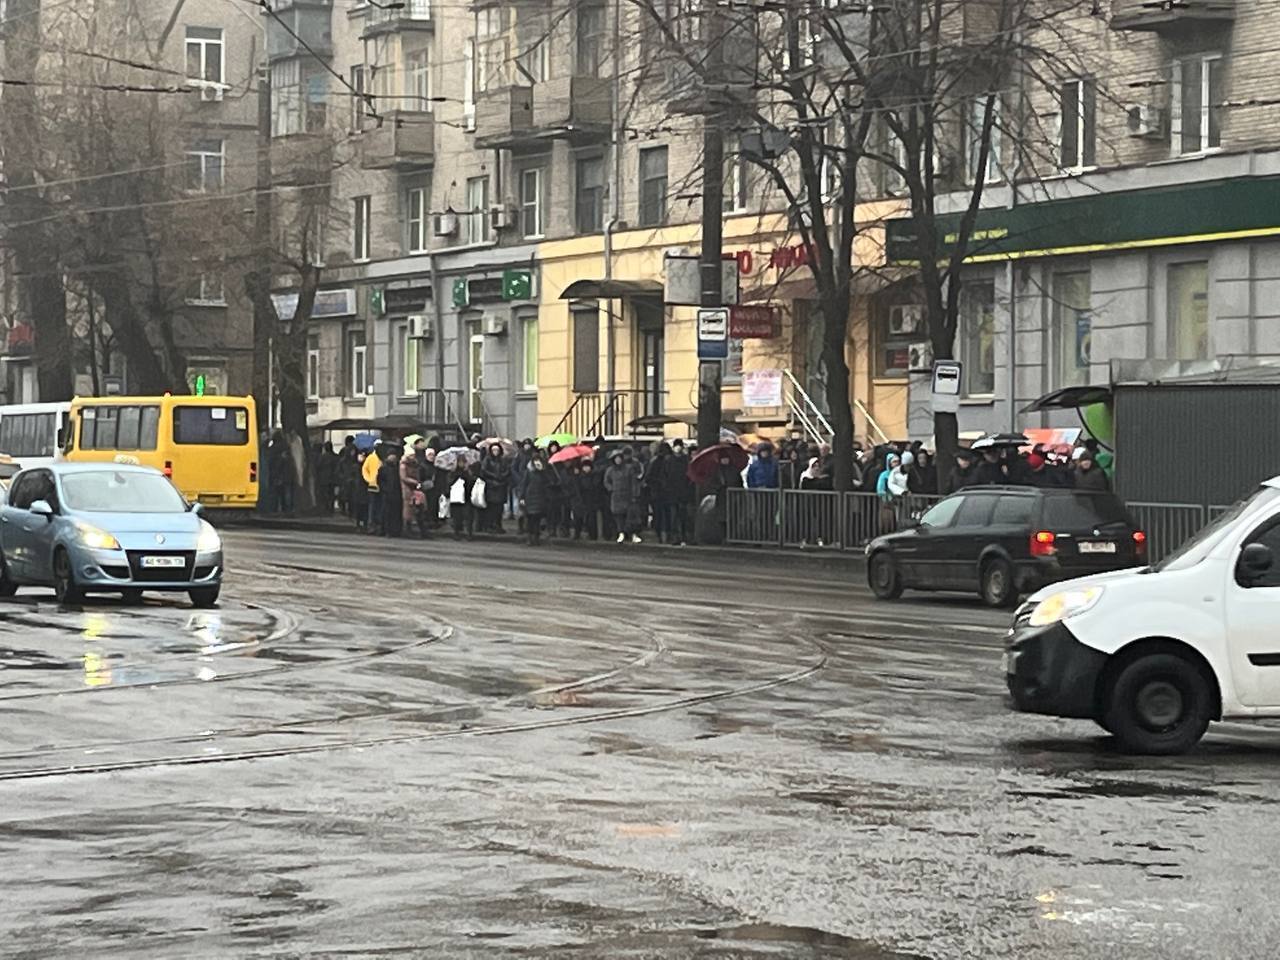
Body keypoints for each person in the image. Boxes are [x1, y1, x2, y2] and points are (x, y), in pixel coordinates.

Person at [605, 450, 643, 544]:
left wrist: (634, 494)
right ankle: (621, 533)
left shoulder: (628, 469)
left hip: (628, 495)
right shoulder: (610, 470)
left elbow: (633, 482)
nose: (618, 460)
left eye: (619, 458)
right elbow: (606, 481)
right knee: (619, 517)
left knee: (631, 517)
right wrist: (611, 488)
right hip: (616, 496)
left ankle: (633, 534)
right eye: (616, 458)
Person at [519, 449, 553, 545]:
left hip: (540, 497)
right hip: (530, 497)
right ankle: (530, 538)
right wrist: (522, 498)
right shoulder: (528, 472)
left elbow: (548, 482)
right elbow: (524, 485)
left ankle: (536, 537)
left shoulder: (544, 472)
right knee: (530, 519)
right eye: (535, 461)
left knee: (537, 519)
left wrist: (542, 471)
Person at [480, 443, 510, 534]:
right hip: (491, 486)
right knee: (491, 507)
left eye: (497, 450)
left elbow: (507, 471)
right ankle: (490, 525)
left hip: (501, 486)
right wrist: (494, 476)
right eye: (493, 450)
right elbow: (484, 471)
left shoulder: (503, 460)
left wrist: (502, 477)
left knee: (499, 508)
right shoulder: (487, 460)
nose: (495, 452)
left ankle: (498, 525)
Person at [377, 448, 403, 537]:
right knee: (386, 513)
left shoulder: (398, 468)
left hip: (397, 494)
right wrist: (385, 489)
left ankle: (395, 530)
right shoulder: (383, 468)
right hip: (387, 494)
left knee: (396, 513)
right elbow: (379, 480)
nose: (393, 457)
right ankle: (386, 530)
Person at [267, 431, 295, 514]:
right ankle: (287, 509)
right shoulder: (287, 447)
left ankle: (275, 509)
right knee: (286, 493)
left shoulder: (274, 449)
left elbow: (271, 461)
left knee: (275, 493)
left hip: (277, 474)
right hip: (288, 474)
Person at [449, 463, 478, 540]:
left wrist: (468, 476)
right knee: (457, 516)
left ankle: (469, 533)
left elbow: (473, 482)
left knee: (468, 516)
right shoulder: (453, 472)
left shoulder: (469, 472)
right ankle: (457, 533)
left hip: (467, 497)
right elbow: (449, 483)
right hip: (456, 497)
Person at [876, 452, 902, 534]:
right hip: (888, 503)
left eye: (898, 461)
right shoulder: (884, 475)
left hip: (900, 502)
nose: (896, 464)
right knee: (888, 523)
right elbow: (880, 489)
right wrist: (886, 498)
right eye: (894, 462)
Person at [362, 442, 383, 535]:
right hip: (373, 485)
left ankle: (378, 525)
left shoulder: (382, 458)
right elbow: (364, 469)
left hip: (381, 486)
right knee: (372, 507)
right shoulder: (371, 457)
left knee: (379, 507)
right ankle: (371, 526)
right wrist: (369, 479)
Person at [314, 441, 339, 514]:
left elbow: (318, 466)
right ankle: (331, 508)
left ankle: (326, 508)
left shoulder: (322, 457)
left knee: (325, 494)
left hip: (324, 478)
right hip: (333, 478)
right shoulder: (336, 457)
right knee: (331, 494)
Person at [351, 452, 369, 532]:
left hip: (364, 490)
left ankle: (364, 524)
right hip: (357, 490)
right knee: (358, 507)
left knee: (364, 508)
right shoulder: (355, 467)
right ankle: (358, 524)